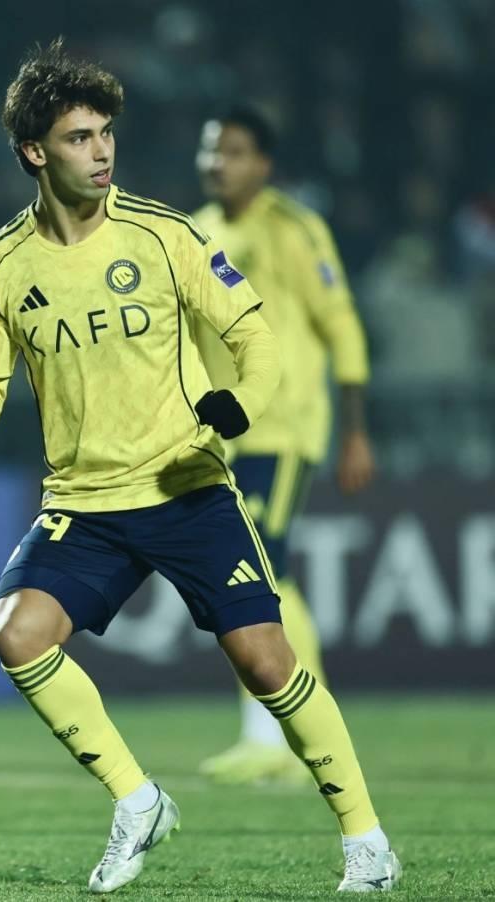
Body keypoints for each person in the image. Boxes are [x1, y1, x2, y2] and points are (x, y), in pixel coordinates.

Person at [0, 41, 399, 895]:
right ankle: (137, 801)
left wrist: (239, 404)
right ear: (35, 151)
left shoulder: (165, 234)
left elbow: (255, 336)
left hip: (185, 485)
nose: (102, 151)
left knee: (267, 663)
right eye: (79, 138)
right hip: (84, 501)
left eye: (106, 133)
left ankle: (368, 841)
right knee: (16, 634)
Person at [192, 107, 376, 785]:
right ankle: (278, 735)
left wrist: (355, 428)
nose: (219, 163)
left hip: (284, 426)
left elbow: (341, 323)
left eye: (235, 152)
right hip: (222, 434)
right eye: (211, 151)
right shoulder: (193, 233)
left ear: (263, 164)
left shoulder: (294, 228)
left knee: (259, 567)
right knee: (248, 576)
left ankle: (293, 733)